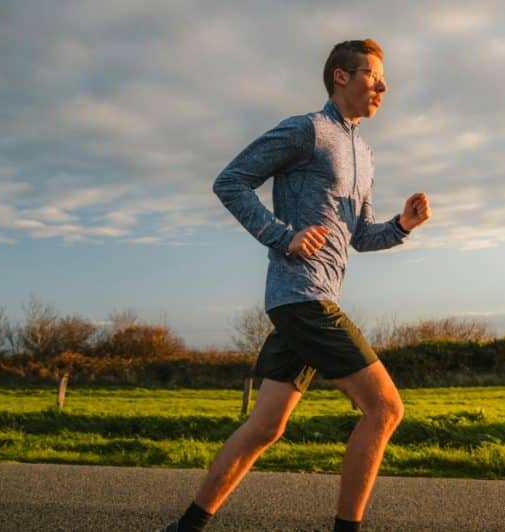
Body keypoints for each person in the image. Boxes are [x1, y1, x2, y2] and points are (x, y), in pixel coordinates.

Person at [162, 38, 431, 532]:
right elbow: (231, 181)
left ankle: (186, 527)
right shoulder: (307, 130)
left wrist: (403, 226)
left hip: (312, 300)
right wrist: (282, 236)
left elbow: (361, 237)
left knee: (265, 426)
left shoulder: (366, 155)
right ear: (341, 77)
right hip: (302, 296)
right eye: (372, 75)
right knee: (386, 408)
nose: (383, 86)